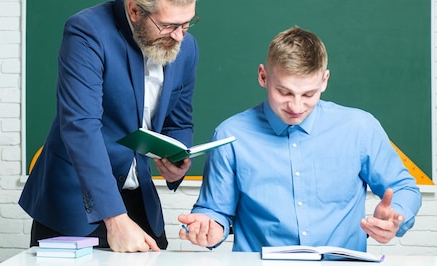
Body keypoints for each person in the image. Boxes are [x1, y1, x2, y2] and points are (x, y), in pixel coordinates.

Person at [19, 0, 202, 252]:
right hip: (76, 200)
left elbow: (179, 120)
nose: (179, 36)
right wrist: (115, 218)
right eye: (168, 25)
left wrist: (178, 159)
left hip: (137, 195)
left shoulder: (187, 47)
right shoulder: (87, 31)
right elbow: (80, 126)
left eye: (186, 24)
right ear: (134, 10)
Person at [179, 26, 422, 252]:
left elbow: (404, 188)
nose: (296, 106)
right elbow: (215, 211)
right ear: (263, 77)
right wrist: (209, 227)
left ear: (324, 81)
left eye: (309, 94)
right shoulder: (230, 136)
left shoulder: (360, 128)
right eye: (284, 92)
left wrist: (395, 215)